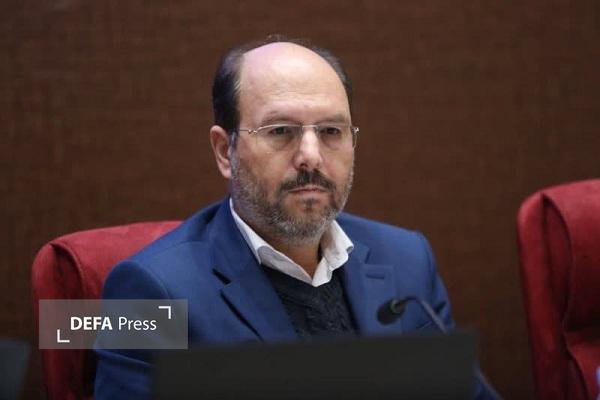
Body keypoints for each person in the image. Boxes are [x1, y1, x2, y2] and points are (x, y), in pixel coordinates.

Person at [94, 35, 496, 399]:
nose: (311, 156)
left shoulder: (409, 258)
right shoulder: (146, 292)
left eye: (331, 131)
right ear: (224, 151)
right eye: (280, 130)